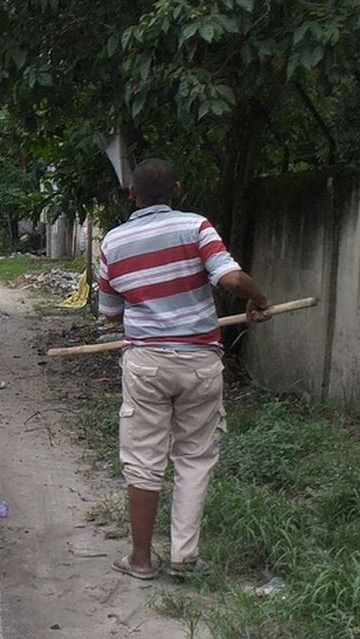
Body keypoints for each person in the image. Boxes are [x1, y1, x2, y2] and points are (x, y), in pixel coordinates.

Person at [99, 159, 271, 581]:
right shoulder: (196, 227)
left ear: (131, 194)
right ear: (176, 189)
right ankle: (184, 557)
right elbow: (229, 279)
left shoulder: (113, 242)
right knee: (194, 458)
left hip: (146, 364)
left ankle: (140, 560)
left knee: (143, 460)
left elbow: (108, 314)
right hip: (198, 360)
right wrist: (259, 298)